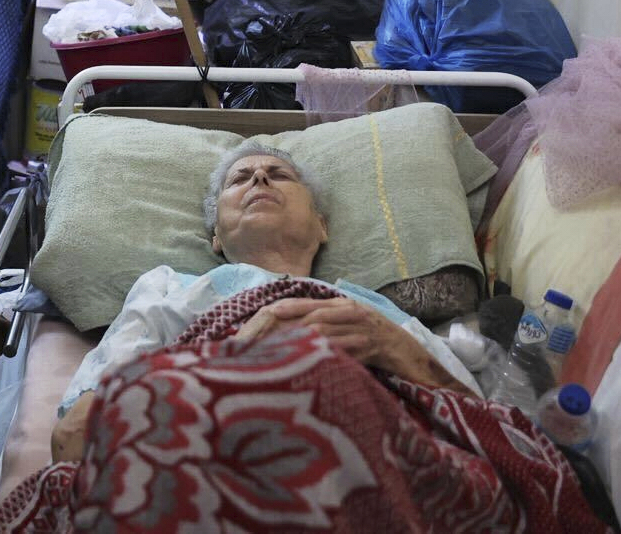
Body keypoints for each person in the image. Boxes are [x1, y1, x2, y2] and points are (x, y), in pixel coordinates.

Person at [51, 144, 480, 462]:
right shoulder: (170, 289)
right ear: (215, 237)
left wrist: (390, 348)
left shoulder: (376, 315)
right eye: (240, 179)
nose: (260, 179)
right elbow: (75, 438)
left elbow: (483, 432)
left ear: (321, 225)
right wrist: (226, 371)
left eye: (280, 174)